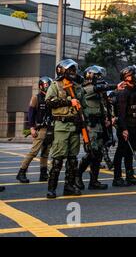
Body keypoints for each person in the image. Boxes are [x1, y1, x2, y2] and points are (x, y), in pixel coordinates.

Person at [74, 66, 118, 191]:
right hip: (90, 126)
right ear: (90, 76)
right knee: (92, 152)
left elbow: (102, 107)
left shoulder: (98, 92)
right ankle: (78, 173)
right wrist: (116, 86)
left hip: (99, 125)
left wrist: (106, 119)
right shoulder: (87, 89)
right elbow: (99, 87)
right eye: (97, 76)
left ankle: (94, 181)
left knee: (98, 154)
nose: (100, 78)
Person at [45, 59, 84, 199]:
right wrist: (68, 101)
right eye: (71, 70)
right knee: (58, 158)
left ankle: (69, 186)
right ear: (62, 70)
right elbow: (49, 102)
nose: (73, 72)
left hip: (74, 125)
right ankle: (52, 188)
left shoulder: (77, 87)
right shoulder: (55, 85)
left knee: (73, 159)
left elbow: (82, 105)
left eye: (74, 70)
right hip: (60, 125)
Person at [113, 66, 136, 187]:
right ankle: (117, 178)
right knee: (120, 152)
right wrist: (123, 129)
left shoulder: (134, 92)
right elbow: (121, 114)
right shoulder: (123, 93)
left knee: (130, 153)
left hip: (134, 127)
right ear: (127, 77)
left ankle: (130, 176)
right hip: (126, 127)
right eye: (133, 74)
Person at [17, 77, 54, 184]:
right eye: (46, 85)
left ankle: (43, 174)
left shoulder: (51, 98)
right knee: (33, 152)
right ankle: (21, 173)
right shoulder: (36, 98)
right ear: (41, 86)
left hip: (50, 128)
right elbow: (30, 113)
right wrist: (32, 128)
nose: (48, 87)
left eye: (49, 85)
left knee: (45, 153)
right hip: (40, 129)